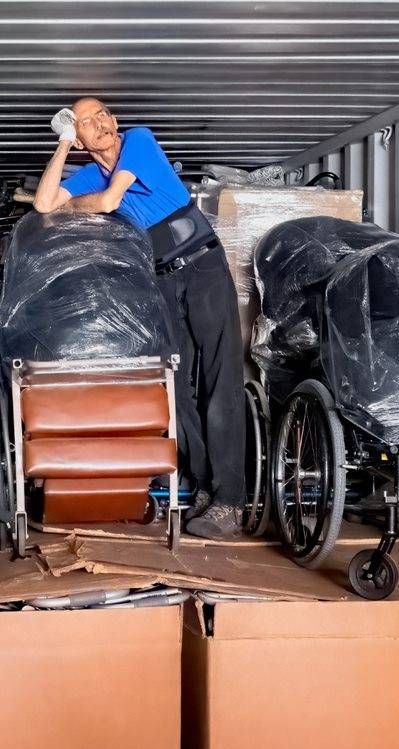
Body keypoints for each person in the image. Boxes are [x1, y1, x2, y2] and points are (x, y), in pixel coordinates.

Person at [33, 97, 246, 539]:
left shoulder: (140, 140)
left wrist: (74, 207)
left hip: (202, 264)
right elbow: (43, 204)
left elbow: (110, 203)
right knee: (177, 384)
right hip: (163, 277)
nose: (103, 124)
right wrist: (61, 146)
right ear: (80, 138)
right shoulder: (88, 171)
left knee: (219, 378)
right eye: (88, 123)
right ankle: (205, 486)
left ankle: (230, 501)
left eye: (103, 114)